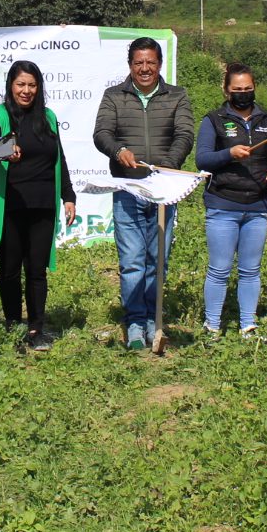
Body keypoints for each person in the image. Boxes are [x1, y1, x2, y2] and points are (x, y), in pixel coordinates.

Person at [92, 37, 195, 350]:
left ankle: (154, 319)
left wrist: (166, 166)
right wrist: (119, 150)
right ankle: (135, 321)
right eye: (139, 63)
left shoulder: (177, 96)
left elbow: (185, 134)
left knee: (157, 260)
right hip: (128, 190)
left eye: (151, 62)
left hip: (163, 191)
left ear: (160, 64)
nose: (145, 68)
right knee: (133, 261)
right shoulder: (114, 96)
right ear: (130, 66)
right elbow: (102, 133)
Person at [0, 61, 77, 351]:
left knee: (37, 270)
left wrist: (68, 196)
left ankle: (36, 329)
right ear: (11, 85)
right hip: (10, 205)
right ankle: (12, 325)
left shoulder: (48, 117)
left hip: (43, 205)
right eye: (21, 84)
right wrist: (6, 151)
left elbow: (60, 157)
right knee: (9, 270)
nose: (26, 90)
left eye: (32, 85)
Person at [193, 63, 267, 338]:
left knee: (251, 270)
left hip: (258, 207)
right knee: (219, 269)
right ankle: (212, 325)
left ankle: (248, 325)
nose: (243, 93)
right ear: (226, 90)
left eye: (248, 89)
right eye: (237, 89)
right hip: (223, 205)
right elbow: (202, 159)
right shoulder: (213, 120)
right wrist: (229, 154)